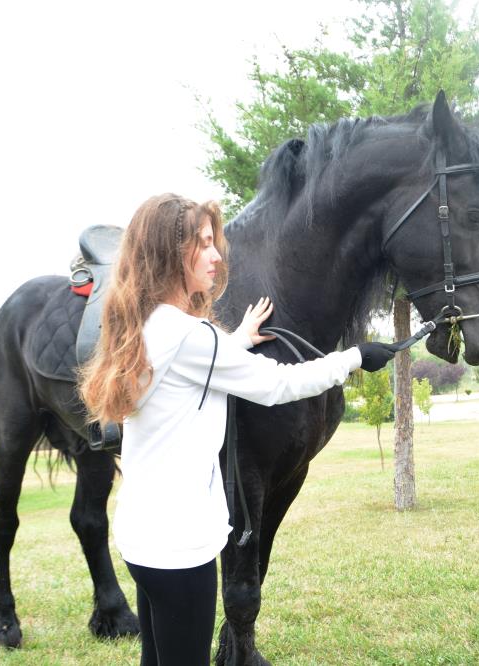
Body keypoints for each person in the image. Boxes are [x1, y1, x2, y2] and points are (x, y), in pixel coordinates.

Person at [78, 193, 396, 666]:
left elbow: (194, 365)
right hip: (179, 548)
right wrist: (352, 358)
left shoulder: (149, 325)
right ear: (170, 254)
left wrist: (240, 339)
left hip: (142, 539)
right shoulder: (191, 336)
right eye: (203, 243)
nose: (216, 255)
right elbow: (278, 384)